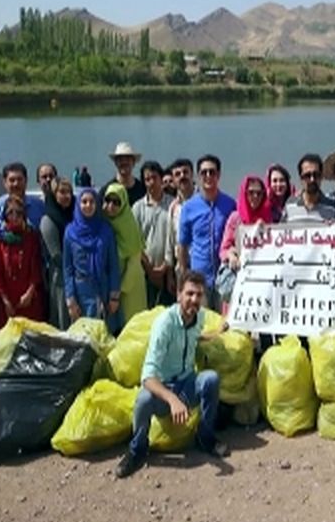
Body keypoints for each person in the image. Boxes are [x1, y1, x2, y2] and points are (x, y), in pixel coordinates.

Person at [115, 271, 229, 478]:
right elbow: (147, 377)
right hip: (164, 390)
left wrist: (216, 334)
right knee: (143, 399)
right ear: (178, 295)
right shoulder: (164, 324)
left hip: (187, 383)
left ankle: (205, 438)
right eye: (189, 294)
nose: (194, 300)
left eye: (199, 295)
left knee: (211, 379)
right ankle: (136, 451)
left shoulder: (199, 316)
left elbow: (194, 337)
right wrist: (173, 400)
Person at [177, 155, 236, 311]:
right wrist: (183, 278)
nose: (208, 176)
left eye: (212, 172)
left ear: (219, 175)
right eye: (204, 172)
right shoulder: (189, 207)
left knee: (224, 325)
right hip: (199, 279)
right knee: (200, 325)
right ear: (198, 176)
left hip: (225, 278)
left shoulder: (230, 204)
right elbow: (182, 245)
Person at [63, 187, 121, 331]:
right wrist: (71, 300)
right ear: (78, 204)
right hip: (81, 293)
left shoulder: (105, 230)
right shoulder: (70, 232)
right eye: (84, 202)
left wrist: (114, 296)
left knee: (104, 336)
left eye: (92, 202)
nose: (88, 206)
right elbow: (68, 268)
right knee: (83, 336)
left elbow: (113, 264)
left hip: (103, 291)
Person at [0, 194, 46, 330]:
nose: (14, 216)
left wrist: (30, 293)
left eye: (18, 213)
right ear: (5, 215)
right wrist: (5, 300)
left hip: (28, 300)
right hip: (6, 302)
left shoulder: (31, 237)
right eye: (10, 212)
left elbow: (36, 267)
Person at [219, 174, 269, 311]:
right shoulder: (235, 218)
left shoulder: (268, 219)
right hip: (237, 283)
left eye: (259, 193)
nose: (255, 196)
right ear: (244, 193)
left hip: (261, 285)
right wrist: (231, 255)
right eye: (251, 192)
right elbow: (224, 249)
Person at [134, 161, 176, 308]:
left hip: (168, 274)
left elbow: (174, 240)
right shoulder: (138, 208)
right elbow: (135, 241)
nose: (151, 182)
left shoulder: (172, 205)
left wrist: (165, 268)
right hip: (144, 272)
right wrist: (149, 269)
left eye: (154, 177)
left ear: (161, 178)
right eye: (147, 179)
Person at [105, 183, 149, 323]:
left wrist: (120, 290)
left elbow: (134, 261)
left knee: (132, 324)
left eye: (116, 202)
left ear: (124, 203)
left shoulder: (129, 225)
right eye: (108, 200)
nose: (111, 206)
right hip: (111, 285)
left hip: (129, 287)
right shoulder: (103, 222)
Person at [40, 177, 76, 327]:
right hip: (60, 279)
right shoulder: (48, 220)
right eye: (62, 192)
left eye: (69, 192)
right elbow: (56, 255)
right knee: (64, 320)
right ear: (54, 194)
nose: (66, 196)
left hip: (76, 276)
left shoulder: (74, 215)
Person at [0, 162, 46, 241]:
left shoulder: (40, 207)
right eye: (12, 180)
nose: (16, 184)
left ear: (26, 181)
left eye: (19, 179)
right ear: (5, 183)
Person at [284, 153, 335, 222]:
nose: (312, 179)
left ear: (321, 177)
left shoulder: (332, 207)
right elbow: (280, 229)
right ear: (301, 179)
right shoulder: (290, 204)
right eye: (307, 176)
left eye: (316, 175)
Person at [105, 142, 147, 206]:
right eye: (120, 159)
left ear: (134, 162)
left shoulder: (143, 190)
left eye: (127, 159)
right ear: (115, 163)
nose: (124, 162)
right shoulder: (107, 190)